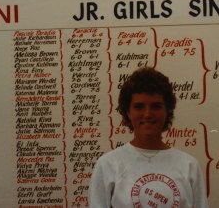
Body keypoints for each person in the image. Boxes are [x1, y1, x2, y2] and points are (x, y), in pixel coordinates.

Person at [89, 67, 209, 208]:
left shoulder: (189, 165)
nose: (147, 114)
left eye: (156, 106)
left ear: (167, 110)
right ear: (128, 112)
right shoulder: (108, 164)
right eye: (139, 107)